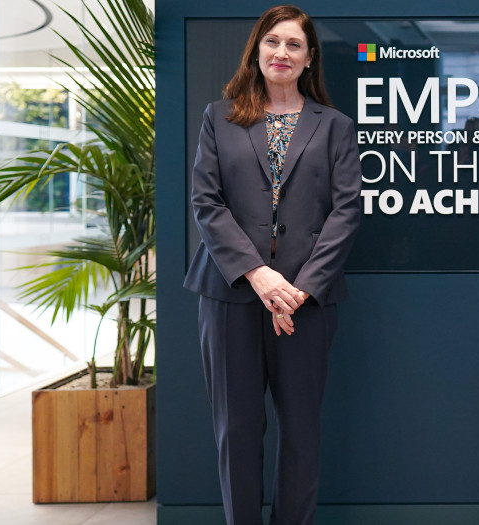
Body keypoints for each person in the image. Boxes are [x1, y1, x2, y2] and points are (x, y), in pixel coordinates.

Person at [183, 5, 361, 524]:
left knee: (302, 430)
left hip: (305, 303)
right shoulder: (221, 116)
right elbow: (206, 203)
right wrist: (259, 276)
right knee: (236, 430)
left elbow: (346, 212)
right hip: (231, 293)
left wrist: (298, 290)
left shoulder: (335, 127)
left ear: (309, 59)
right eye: (273, 42)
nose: (281, 53)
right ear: (257, 50)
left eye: (294, 45)